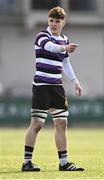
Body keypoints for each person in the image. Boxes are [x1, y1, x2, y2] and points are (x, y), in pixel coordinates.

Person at [21, 6, 84, 172]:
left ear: (63, 22)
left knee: (62, 123)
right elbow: (50, 47)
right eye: (51, 20)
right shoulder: (42, 36)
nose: (54, 24)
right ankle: (27, 162)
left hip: (57, 87)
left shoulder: (64, 38)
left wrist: (75, 81)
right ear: (48, 21)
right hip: (42, 86)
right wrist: (65, 48)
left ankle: (64, 163)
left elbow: (65, 63)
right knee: (36, 124)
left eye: (57, 21)